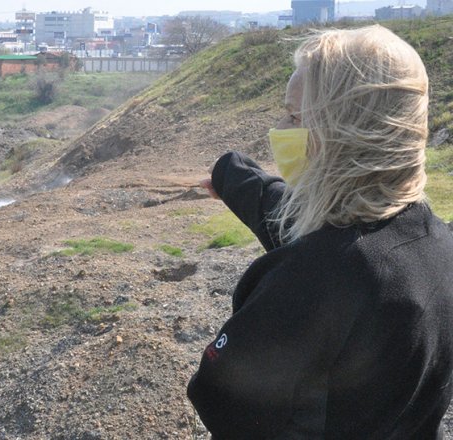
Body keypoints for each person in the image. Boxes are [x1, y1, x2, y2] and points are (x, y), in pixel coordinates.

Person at [188, 26, 453, 438]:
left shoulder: (316, 277)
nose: (281, 127)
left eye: (295, 117)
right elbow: (293, 219)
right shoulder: (438, 245)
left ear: (344, 133)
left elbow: (220, 398)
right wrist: (231, 176)